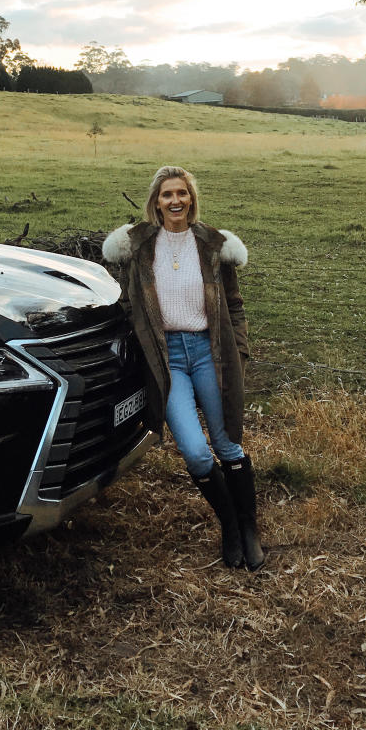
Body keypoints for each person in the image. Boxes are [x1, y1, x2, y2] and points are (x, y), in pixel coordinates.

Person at [103, 165, 265, 570]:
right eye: (166, 194)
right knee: (194, 452)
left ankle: (248, 529)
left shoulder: (213, 245)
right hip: (168, 358)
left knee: (227, 445)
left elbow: (236, 306)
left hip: (210, 352)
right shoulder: (138, 247)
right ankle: (228, 525)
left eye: (182, 193)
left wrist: (238, 353)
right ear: (155, 202)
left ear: (191, 198)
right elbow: (127, 306)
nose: (175, 200)